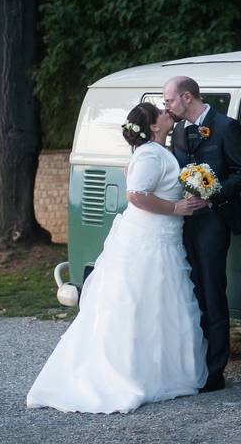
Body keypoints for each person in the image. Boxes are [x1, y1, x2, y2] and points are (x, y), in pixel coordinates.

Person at [26, 102, 208, 413]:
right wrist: (176, 208)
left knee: (160, 303)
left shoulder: (154, 152)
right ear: (153, 126)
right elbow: (136, 196)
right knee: (141, 302)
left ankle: (161, 371)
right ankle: (130, 373)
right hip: (150, 238)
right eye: (161, 112)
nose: (167, 113)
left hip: (162, 237)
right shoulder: (151, 154)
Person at [163, 76, 241, 393]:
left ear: (187, 97)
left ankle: (215, 371)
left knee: (213, 292)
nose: (166, 106)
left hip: (215, 220)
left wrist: (212, 193)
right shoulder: (178, 132)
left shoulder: (226, 127)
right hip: (186, 222)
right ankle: (195, 364)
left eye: (169, 100)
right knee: (193, 292)